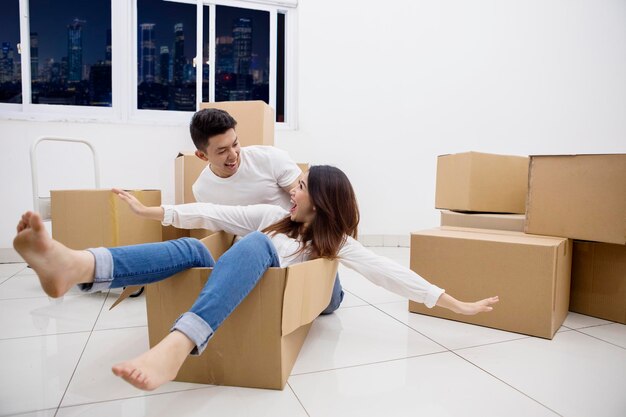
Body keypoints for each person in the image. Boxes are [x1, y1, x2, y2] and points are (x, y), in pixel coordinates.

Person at [14, 165, 499, 392]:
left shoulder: (336, 245)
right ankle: (79, 266)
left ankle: (180, 342)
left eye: (303, 186)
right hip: (264, 265)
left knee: (256, 246)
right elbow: (213, 210)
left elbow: (391, 273)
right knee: (194, 247)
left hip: (323, 293)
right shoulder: (272, 216)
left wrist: (455, 304)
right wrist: (152, 208)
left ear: (323, 201)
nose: (294, 188)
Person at [188, 109, 344, 314]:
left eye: (235, 143)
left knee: (328, 305)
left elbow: (311, 201)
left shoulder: (270, 158)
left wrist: (315, 246)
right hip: (252, 250)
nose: (233, 154)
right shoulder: (202, 189)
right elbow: (223, 231)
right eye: (222, 150)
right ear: (202, 155)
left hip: (297, 240)